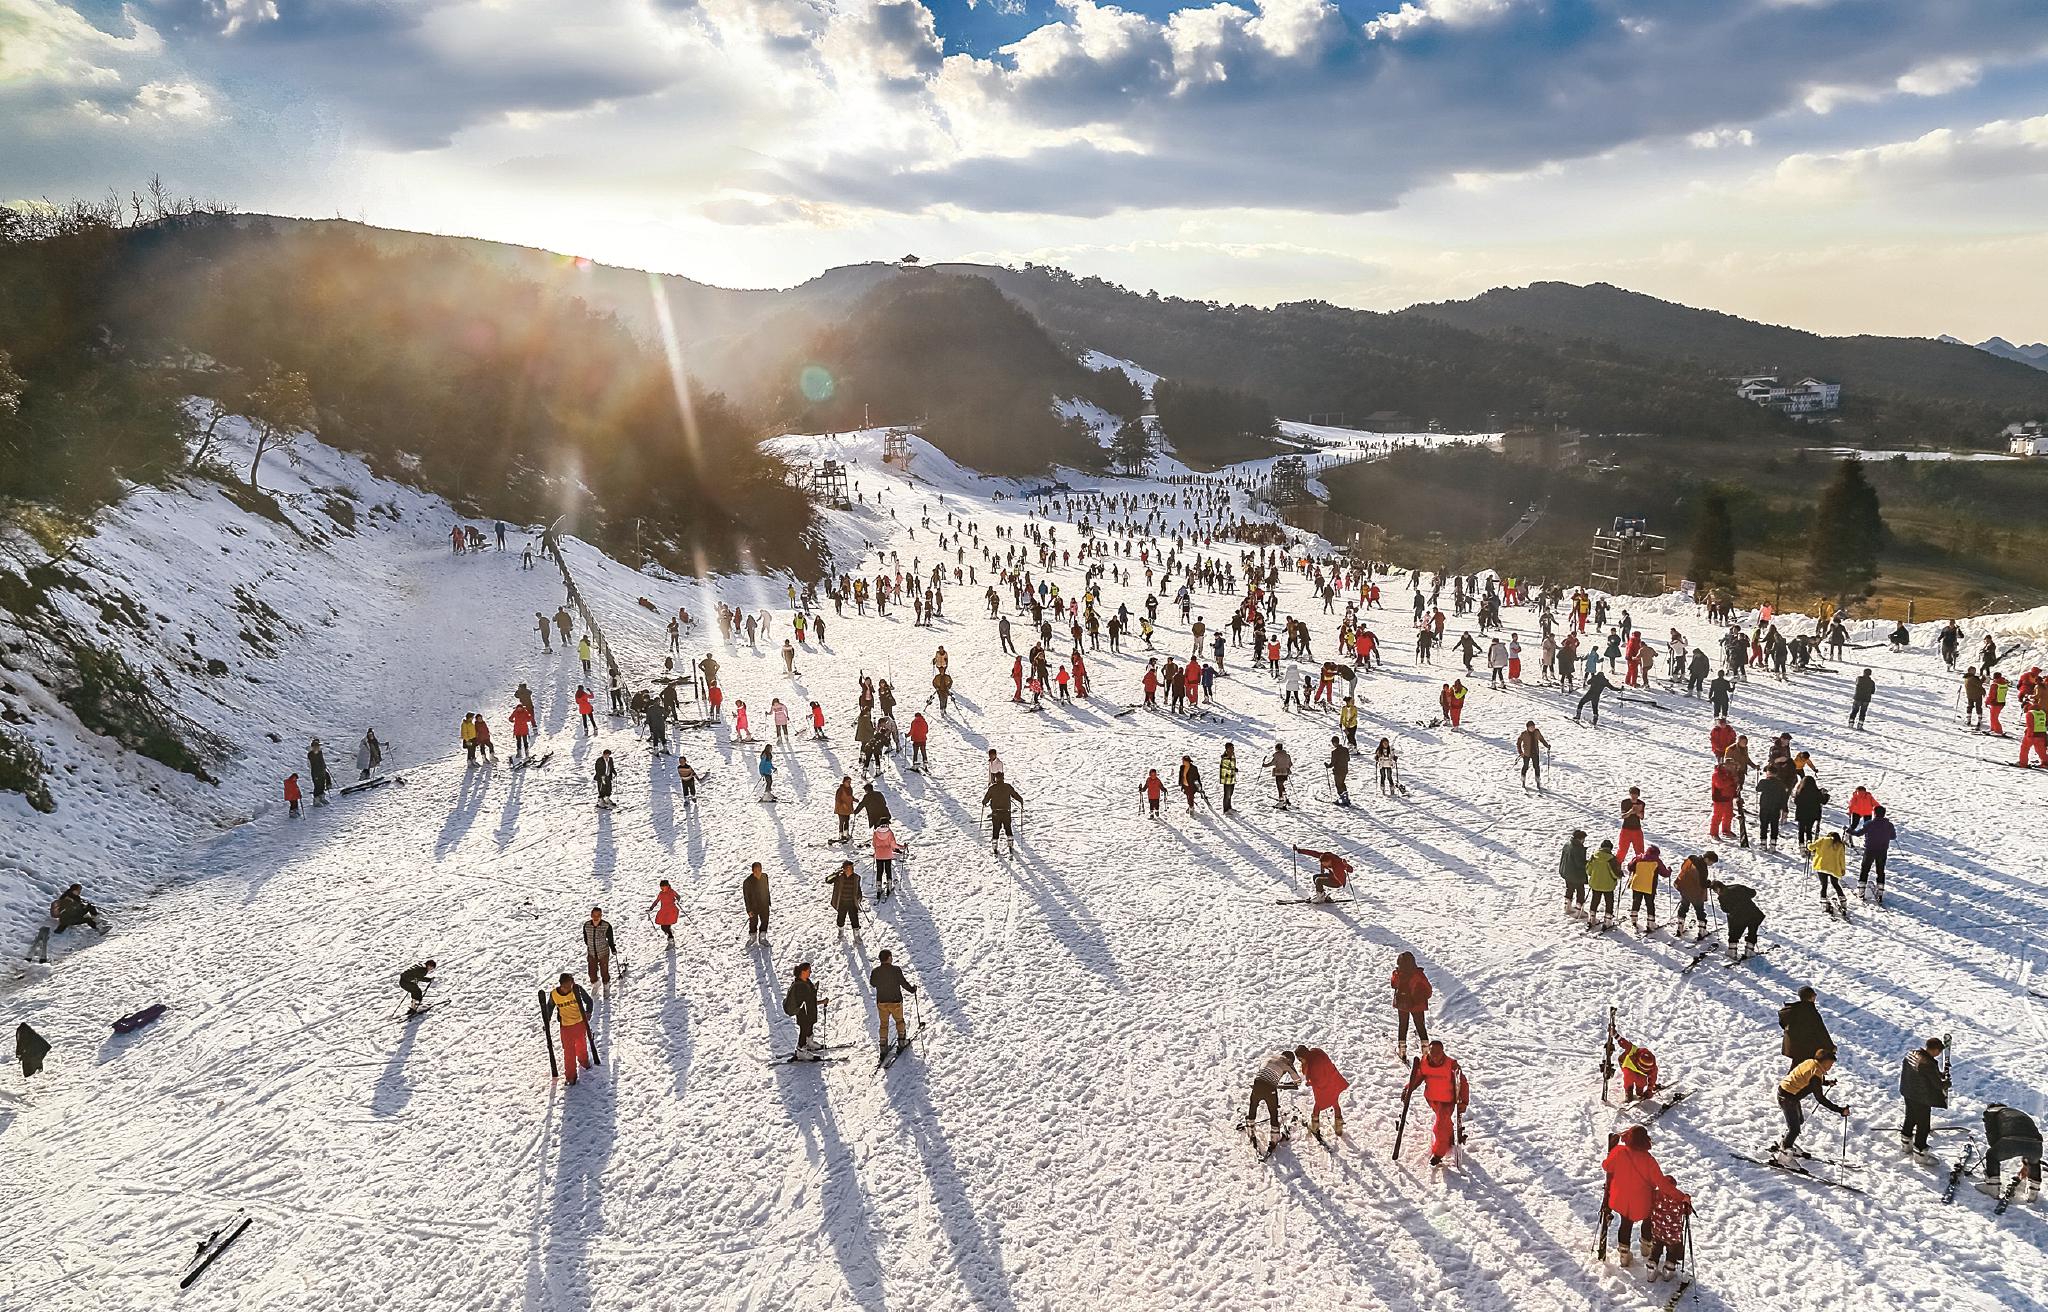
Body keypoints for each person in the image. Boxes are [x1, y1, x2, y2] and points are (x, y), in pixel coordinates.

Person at [1600, 1126, 1670, 1269]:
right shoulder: (1649, 1160)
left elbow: (1606, 1166)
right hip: (1643, 1201)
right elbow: (1660, 1182)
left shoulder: (1619, 1152)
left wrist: (1611, 1154)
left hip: (1620, 1199)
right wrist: (1681, 1197)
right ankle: (1646, 1246)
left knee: (1625, 1223)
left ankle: (1624, 1255)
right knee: (1648, 1219)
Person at [1402, 1040, 1470, 1166]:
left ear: (1443, 1052)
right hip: (1432, 1099)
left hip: (1447, 1101)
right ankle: (1448, 1138)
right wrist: (1407, 1089)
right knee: (1443, 1122)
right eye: (1432, 1053)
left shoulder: (1451, 1065)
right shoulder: (1424, 1063)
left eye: (1438, 1053)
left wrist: (1464, 1102)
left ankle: (1439, 1152)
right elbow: (1416, 1077)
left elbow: (1463, 1083)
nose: (1435, 1056)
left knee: (1440, 1125)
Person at [1775, 1046, 1847, 1164]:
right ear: (1824, 1063)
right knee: (1794, 1129)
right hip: (1787, 1098)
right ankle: (1784, 1155)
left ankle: (1787, 1143)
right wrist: (1840, 1110)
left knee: (1799, 1121)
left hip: (1787, 1094)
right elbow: (1820, 1098)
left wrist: (1826, 1082)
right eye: (1830, 1064)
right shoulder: (1816, 1074)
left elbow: (1810, 1078)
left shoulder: (1811, 1062)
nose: (1831, 1066)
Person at [1897, 1037, 1949, 1153]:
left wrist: (1938, 1074)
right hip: (1920, 1097)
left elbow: (1922, 1074)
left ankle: (1906, 1141)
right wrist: (1946, 1083)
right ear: (1935, 1050)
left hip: (1908, 1091)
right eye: (1939, 1051)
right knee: (1923, 1124)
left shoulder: (1912, 1054)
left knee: (1910, 1116)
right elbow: (1937, 1085)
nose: (1939, 1054)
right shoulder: (1927, 1063)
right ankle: (1920, 1151)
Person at [869, 948, 918, 1061]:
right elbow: (903, 982)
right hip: (895, 1001)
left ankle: (883, 1047)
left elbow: (872, 983)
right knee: (899, 1021)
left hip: (882, 1002)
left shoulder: (876, 971)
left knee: (883, 1024)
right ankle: (901, 1042)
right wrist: (912, 989)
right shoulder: (896, 970)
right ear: (889, 958)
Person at [549, 973, 598, 1085]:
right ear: (562, 985)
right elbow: (549, 1009)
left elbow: (589, 1001)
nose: (571, 986)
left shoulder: (577, 989)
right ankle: (571, 1077)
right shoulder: (554, 995)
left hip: (580, 1023)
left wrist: (588, 1012)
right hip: (565, 1027)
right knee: (568, 1052)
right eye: (568, 985)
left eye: (572, 984)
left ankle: (584, 1062)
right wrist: (546, 1021)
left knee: (581, 1044)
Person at [1294, 1044, 1350, 1138]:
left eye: (1300, 1059)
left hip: (1323, 1088)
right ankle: (1339, 1128)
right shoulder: (1317, 1051)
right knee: (1335, 1102)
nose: (1300, 1062)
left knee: (1318, 1106)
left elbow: (1314, 1080)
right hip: (1333, 1081)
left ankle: (1314, 1127)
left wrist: (1309, 1083)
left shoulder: (1310, 1065)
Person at [1983, 1104, 2044, 1189]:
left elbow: (1992, 1137)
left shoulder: (1991, 1113)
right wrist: (2027, 1164)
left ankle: (1992, 1188)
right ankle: (2034, 1191)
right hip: (2036, 1145)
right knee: (2034, 1161)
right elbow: (2028, 1138)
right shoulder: (2017, 1112)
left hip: (2011, 1141)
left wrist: (1995, 1150)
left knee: (1992, 1155)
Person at [1245, 1050, 1299, 1143]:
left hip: (1257, 1084)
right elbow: (1297, 1080)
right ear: (1290, 1059)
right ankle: (1275, 1137)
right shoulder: (1287, 1062)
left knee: (1253, 1106)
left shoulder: (1269, 1057)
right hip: (1270, 1088)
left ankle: (1250, 1130)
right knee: (1273, 1112)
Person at [1778, 986, 1834, 1069]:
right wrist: (1830, 1047)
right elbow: (1821, 1031)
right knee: (1805, 1067)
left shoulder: (1791, 1010)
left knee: (1799, 1066)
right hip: (1805, 1047)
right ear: (1812, 997)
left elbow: (1783, 1024)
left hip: (1792, 1045)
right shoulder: (1811, 1012)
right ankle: (1792, 1081)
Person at [1390, 951, 1432, 1060]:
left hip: (1402, 1004)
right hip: (1417, 1005)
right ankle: (1426, 1052)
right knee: (1420, 1026)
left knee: (1403, 1025)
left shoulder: (1398, 974)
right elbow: (1428, 991)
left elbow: (1393, 984)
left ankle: (1402, 1051)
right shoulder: (1418, 975)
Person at [1708, 878, 1764, 960]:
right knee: (1752, 930)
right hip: (1753, 913)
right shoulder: (1737, 887)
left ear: (1718, 889)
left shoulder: (1722, 897)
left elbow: (1725, 910)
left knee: (1734, 932)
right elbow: (1753, 893)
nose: (1716, 893)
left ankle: (1732, 951)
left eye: (1715, 891)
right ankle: (1749, 950)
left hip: (1739, 917)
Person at [783, 963, 826, 1058]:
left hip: (808, 1012)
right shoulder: (799, 986)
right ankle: (801, 1050)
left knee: (809, 1025)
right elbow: (805, 1001)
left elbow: (810, 999)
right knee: (804, 1028)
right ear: (803, 972)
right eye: (809, 970)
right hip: (803, 1013)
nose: (810, 972)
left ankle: (809, 1042)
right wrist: (819, 1000)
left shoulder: (806, 981)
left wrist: (820, 999)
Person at [1612, 1023, 1660, 1101]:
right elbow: (1624, 1043)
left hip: (1639, 1073)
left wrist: (1649, 1089)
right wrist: (1615, 1034)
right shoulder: (1633, 1051)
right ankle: (1628, 1092)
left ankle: (1639, 1091)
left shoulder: (1652, 1067)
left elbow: (1653, 1077)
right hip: (1627, 1065)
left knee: (1641, 1081)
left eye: (1646, 1069)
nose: (1644, 1069)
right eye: (1642, 1068)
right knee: (1629, 1077)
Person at [1673, 852, 1715, 939]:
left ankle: (1680, 927)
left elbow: (1683, 869)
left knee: (1683, 907)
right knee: (1699, 910)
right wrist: (1709, 883)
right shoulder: (1702, 868)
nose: (1711, 864)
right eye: (1711, 862)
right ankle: (1702, 931)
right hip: (1696, 893)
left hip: (1685, 889)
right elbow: (1703, 884)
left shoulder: (1691, 860)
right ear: (1706, 859)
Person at [1627, 846, 1668, 933]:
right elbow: (1665, 873)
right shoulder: (1657, 861)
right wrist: (1669, 870)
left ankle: (1633, 919)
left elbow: (1630, 867)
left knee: (1636, 901)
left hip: (1637, 884)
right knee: (1650, 904)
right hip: (1649, 886)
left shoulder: (1638, 858)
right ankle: (1651, 922)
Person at [1859, 806, 1897, 898]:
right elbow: (1893, 837)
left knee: (1865, 869)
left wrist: (1848, 830)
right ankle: (1880, 891)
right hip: (1882, 851)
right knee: (1880, 870)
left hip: (1870, 850)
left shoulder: (1869, 823)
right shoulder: (1889, 825)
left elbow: (1858, 833)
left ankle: (1861, 890)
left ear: (1874, 813)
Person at [1586, 838, 1623, 929]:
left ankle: (1592, 918)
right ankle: (1608, 920)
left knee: (1595, 900)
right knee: (1609, 902)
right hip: (1608, 885)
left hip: (1596, 884)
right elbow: (1615, 874)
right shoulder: (1612, 859)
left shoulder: (1594, 856)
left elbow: (1588, 871)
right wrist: (1620, 875)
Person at [1810, 830, 1848, 914]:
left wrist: (1808, 843)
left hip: (1821, 866)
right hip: (1834, 868)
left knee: (1824, 885)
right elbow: (1842, 858)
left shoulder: (1823, 840)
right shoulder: (1840, 845)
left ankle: (1823, 902)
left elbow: (1811, 847)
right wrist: (1843, 869)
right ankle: (1843, 900)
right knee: (1835, 884)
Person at [1559, 829, 1590, 918]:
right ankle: (1579, 911)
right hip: (1576, 874)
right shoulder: (1578, 848)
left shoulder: (1567, 844)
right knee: (1580, 891)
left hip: (1566, 872)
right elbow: (1580, 863)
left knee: (1569, 888)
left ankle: (1567, 906)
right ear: (1580, 839)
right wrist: (1589, 863)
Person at [583, 907, 616, 985]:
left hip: (603, 952)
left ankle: (606, 986)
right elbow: (585, 937)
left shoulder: (606, 926)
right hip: (592, 953)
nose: (596, 917)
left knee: (604, 972)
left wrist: (613, 949)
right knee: (591, 973)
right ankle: (595, 984)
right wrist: (589, 945)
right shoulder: (587, 925)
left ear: (601, 916)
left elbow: (610, 939)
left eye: (598, 915)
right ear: (591, 915)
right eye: (594, 915)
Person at [743, 861, 772, 944]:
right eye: (756, 871)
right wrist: (748, 910)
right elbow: (746, 897)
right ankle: (753, 937)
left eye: (760, 870)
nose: (758, 873)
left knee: (765, 921)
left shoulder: (765, 876)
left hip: (764, 904)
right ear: (752, 871)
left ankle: (762, 937)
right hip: (753, 906)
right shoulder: (747, 882)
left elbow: (766, 889)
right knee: (753, 923)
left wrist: (768, 901)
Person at [1516, 721, 1549, 792]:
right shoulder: (1524, 734)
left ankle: (1538, 782)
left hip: (1535, 753)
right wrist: (1520, 752)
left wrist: (1547, 745)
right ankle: (1523, 781)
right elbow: (1518, 743)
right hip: (1526, 754)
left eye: (1533, 726)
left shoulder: (1537, 732)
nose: (1533, 728)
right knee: (1525, 766)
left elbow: (1541, 739)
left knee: (1536, 767)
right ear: (1527, 728)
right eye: (1531, 727)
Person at [1262, 741, 1293, 809]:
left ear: (1276, 748)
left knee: (1279, 787)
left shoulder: (1276, 755)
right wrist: (1286, 767)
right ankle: (1286, 798)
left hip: (1279, 773)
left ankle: (1281, 802)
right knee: (1282, 785)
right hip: (1285, 773)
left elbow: (1272, 763)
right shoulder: (1287, 755)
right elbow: (1290, 764)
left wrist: (1264, 765)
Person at [872, 825, 900, 896]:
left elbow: (873, 844)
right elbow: (893, 845)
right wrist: (902, 847)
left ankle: (878, 888)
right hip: (887, 855)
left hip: (879, 854)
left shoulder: (876, 833)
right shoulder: (890, 833)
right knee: (888, 870)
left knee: (879, 871)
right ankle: (889, 886)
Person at [650, 879, 680, 945]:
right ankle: (670, 935)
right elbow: (656, 901)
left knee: (666, 926)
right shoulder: (661, 893)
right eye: (661, 887)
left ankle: (671, 939)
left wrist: (676, 901)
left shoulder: (671, 891)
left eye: (663, 886)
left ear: (667, 886)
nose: (662, 888)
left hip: (671, 910)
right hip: (663, 911)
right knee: (663, 927)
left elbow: (678, 896)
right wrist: (651, 908)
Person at [1218, 743, 1239, 813]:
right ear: (1227, 749)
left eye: (1233, 748)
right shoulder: (1225, 758)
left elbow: (1231, 766)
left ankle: (1229, 807)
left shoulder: (1232, 756)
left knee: (1230, 793)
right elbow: (1226, 768)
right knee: (1227, 794)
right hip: (1226, 779)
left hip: (1232, 778)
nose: (1232, 749)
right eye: (1231, 748)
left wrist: (1234, 768)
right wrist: (1233, 769)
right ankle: (1226, 809)